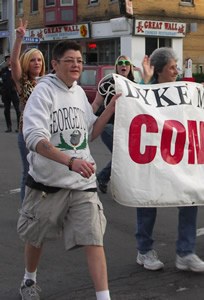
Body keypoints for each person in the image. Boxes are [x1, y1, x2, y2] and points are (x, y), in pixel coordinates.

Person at [17, 40, 119, 300]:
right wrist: (71, 162)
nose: (76, 65)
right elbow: (35, 139)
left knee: (94, 238)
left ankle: (103, 296)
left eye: (80, 60)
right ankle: (29, 279)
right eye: (70, 60)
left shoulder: (77, 93)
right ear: (55, 64)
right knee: (36, 237)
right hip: (47, 184)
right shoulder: (42, 92)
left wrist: (110, 107)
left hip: (82, 184)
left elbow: (89, 134)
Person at [135, 47, 204, 272]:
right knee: (148, 203)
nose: (176, 71)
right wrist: (145, 82)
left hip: (179, 158)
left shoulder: (184, 91)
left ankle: (186, 253)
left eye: (177, 67)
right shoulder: (146, 91)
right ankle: (144, 250)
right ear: (159, 71)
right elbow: (135, 106)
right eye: (172, 67)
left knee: (190, 200)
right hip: (153, 160)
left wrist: (202, 93)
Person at [93, 54, 149, 193]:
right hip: (109, 126)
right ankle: (108, 179)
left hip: (125, 127)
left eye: (126, 63)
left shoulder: (134, 85)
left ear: (130, 67)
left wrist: (147, 75)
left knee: (124, 156)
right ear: (116, 67)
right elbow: (96, 103)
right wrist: (86, 120)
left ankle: (103, 177)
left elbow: (144, 96)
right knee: (123, 156)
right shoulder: (108, 83)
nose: (123, 65)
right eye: (120, 63)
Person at [11, 19, 46, 202]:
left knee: (45, 172)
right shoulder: (22, 82)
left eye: (39, 60)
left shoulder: (48, 82)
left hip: (46, 134)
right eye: (32, 60)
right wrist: (19, 39)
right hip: (26, 133)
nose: (36, 63)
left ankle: (42, 206)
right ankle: (26, 209)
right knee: (29, 172)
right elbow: (14, 64)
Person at [1, 54, 21, 132]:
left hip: (14, 93)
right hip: (6, 93)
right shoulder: (3, 70)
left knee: (18, 110)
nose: (8, 61)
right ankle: (9, 127)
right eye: (7, 60)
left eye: (10, 59)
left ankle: (19, 127)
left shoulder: (16, 70)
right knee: (6, 110)